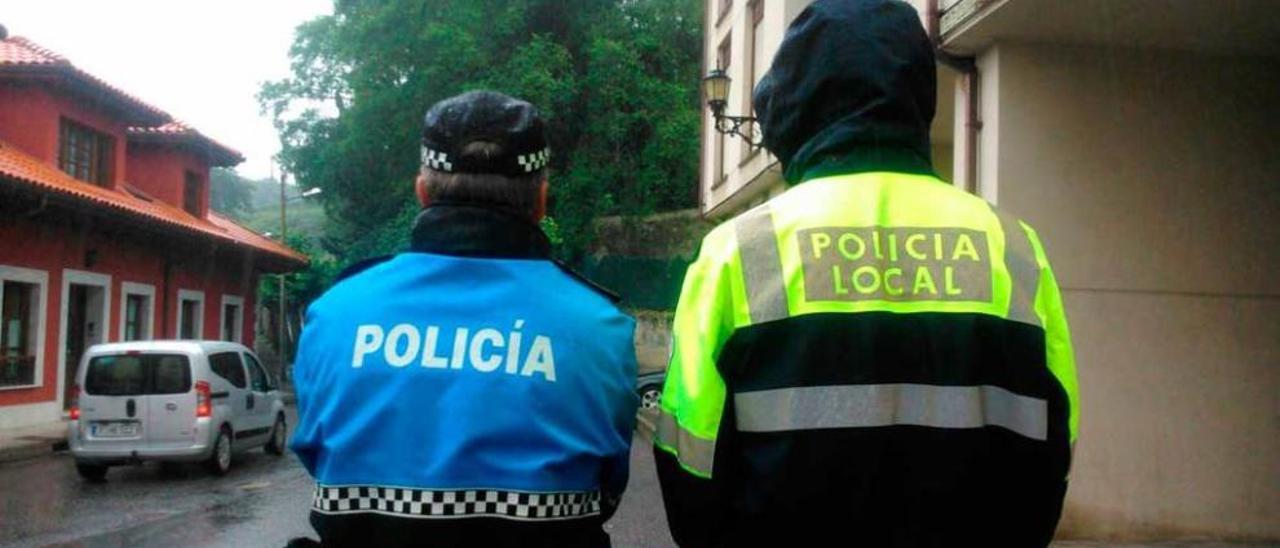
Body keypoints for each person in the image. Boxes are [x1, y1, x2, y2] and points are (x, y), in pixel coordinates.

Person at [654, 1, 1079, 546]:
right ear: (916, 94)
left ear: (795, 103)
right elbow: (1055, 443)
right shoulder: (1013, 248)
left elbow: (688, 459)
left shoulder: (737, 253)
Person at [290, 90, 639, 547]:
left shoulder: (334, 314)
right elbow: (607, 483)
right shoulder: (600, 329)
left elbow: (319, 456)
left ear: (421, 192)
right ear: (541, 201)